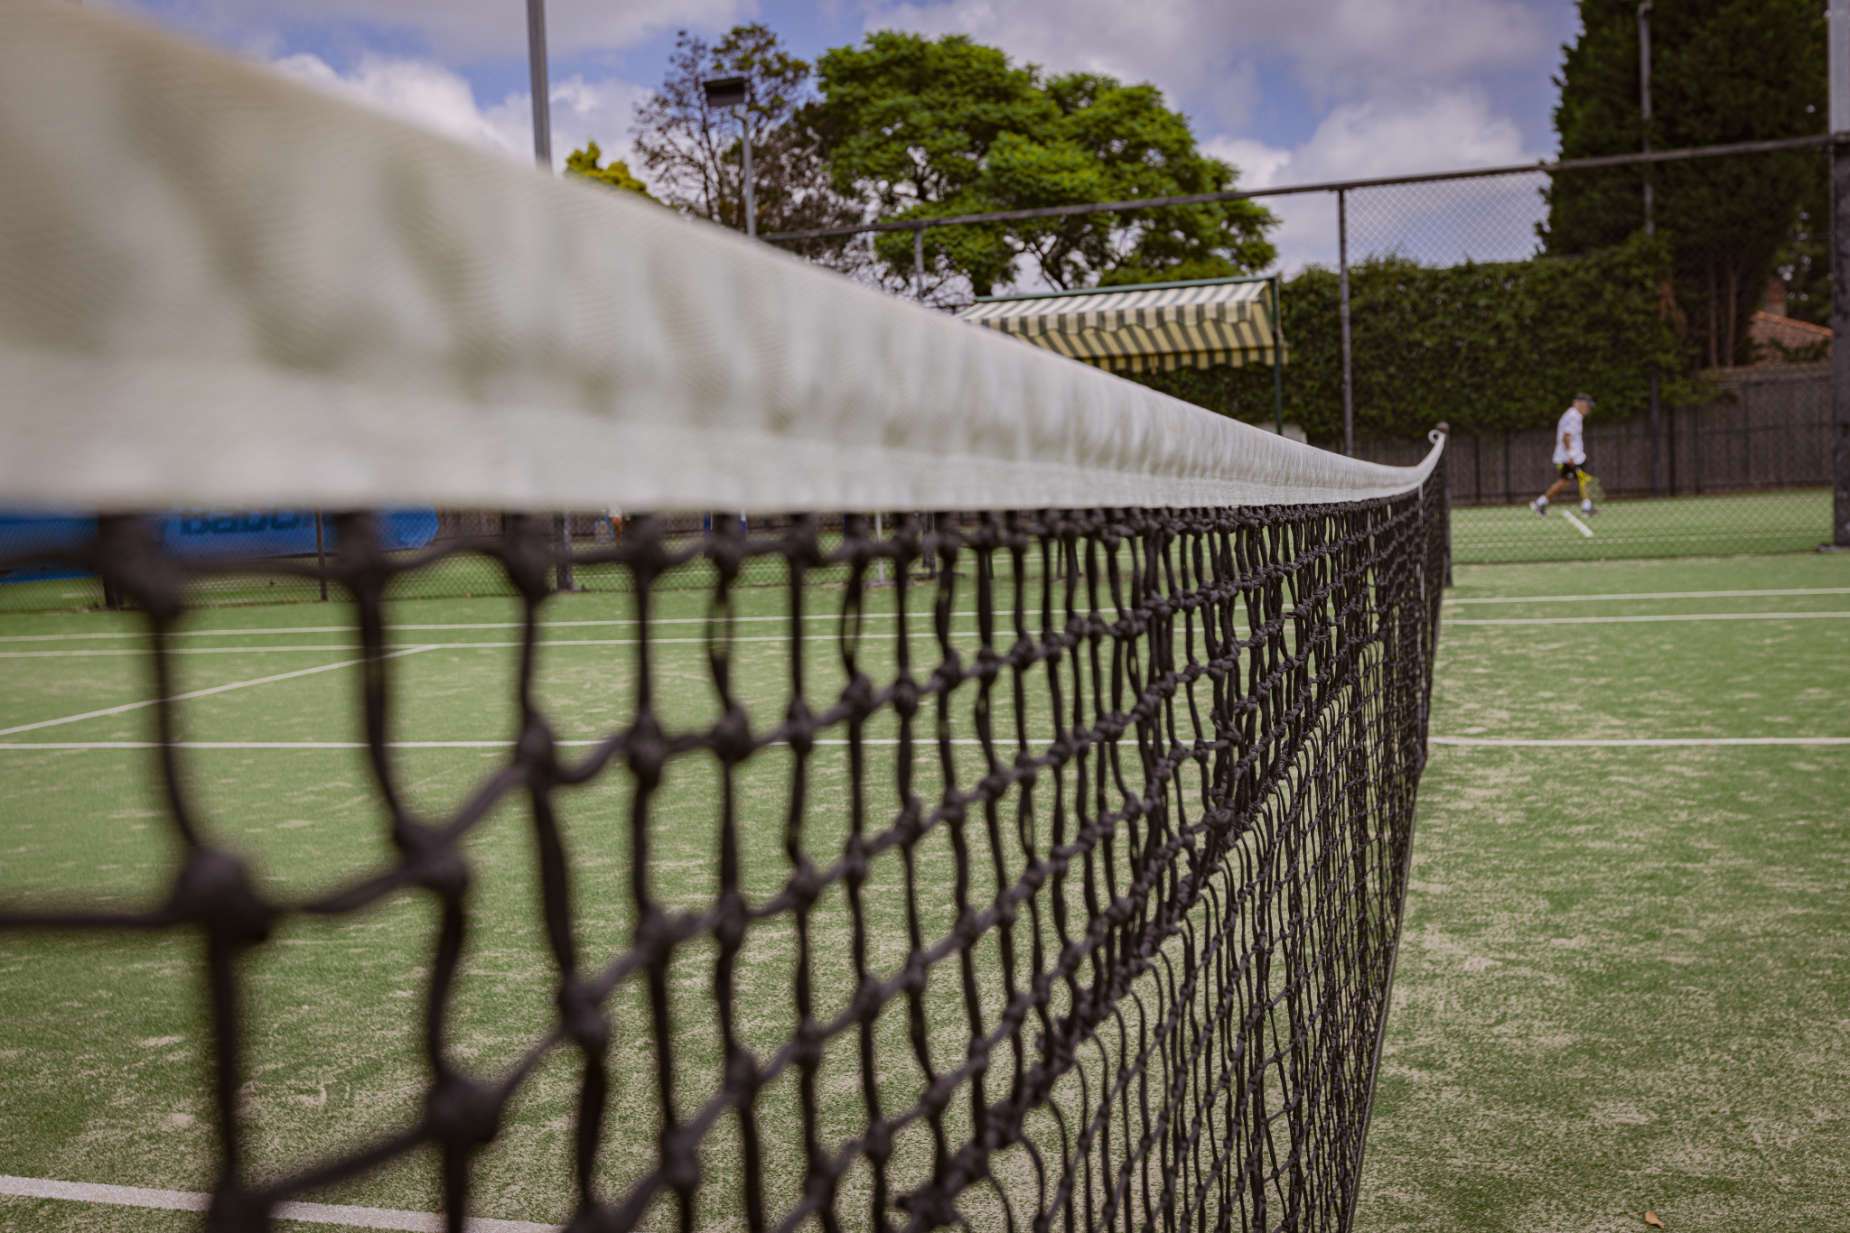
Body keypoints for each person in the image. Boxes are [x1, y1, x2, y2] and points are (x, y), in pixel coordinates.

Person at [1531, 393, 1597, 517]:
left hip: (1572, 456)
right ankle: (1540, 503)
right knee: (1566, 481)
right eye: (1587, 406)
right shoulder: (1574, 416)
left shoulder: (1573, 415)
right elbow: (1566, 436)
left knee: (1578, 480)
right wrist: (1571, 455)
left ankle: (1586, 506)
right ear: (1579, 403)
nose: (1588, 409)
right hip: (1569, 458)